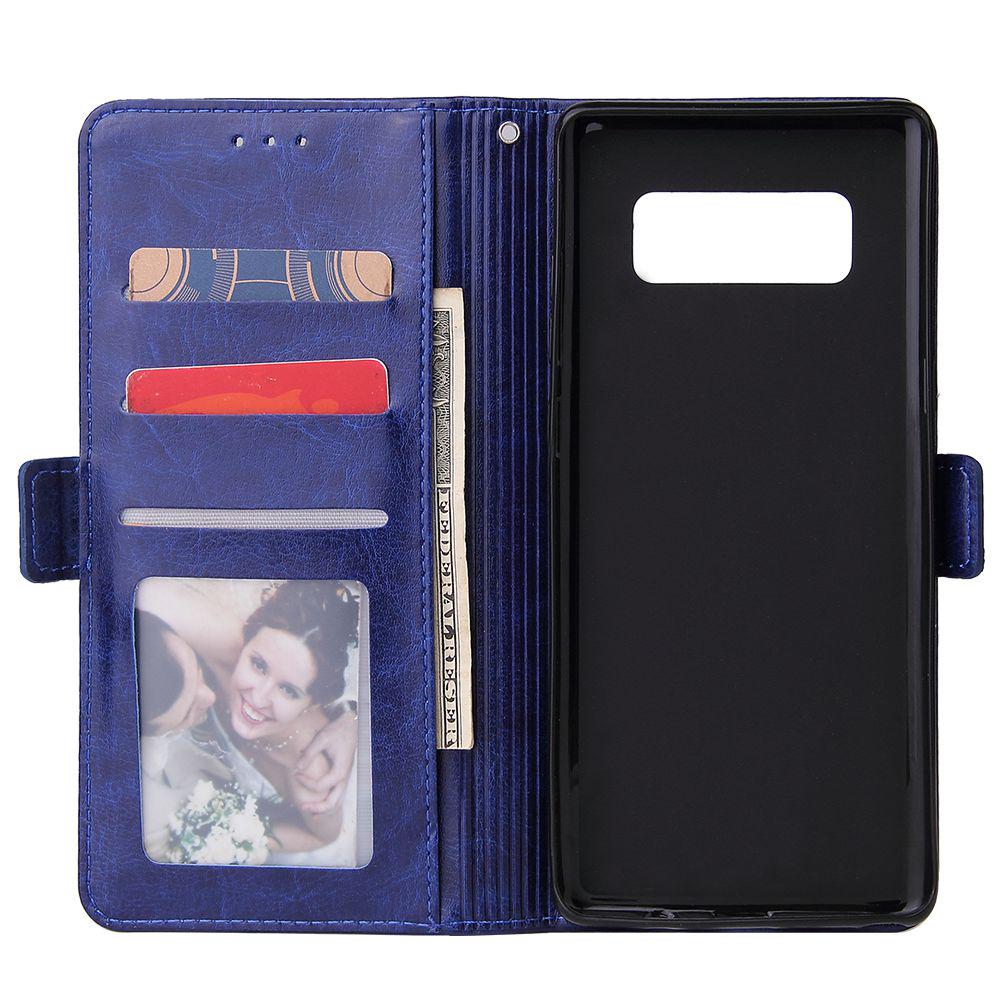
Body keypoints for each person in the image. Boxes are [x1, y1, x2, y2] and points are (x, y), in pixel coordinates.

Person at [135, 578, 361, 862]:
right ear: (247, 639)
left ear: (313, 703)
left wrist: (232, 835)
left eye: (288, 690)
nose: (259, 697)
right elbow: (142, 593)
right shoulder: (223, 643)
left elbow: (322, 836)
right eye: (258, 665)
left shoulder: (311, 769)